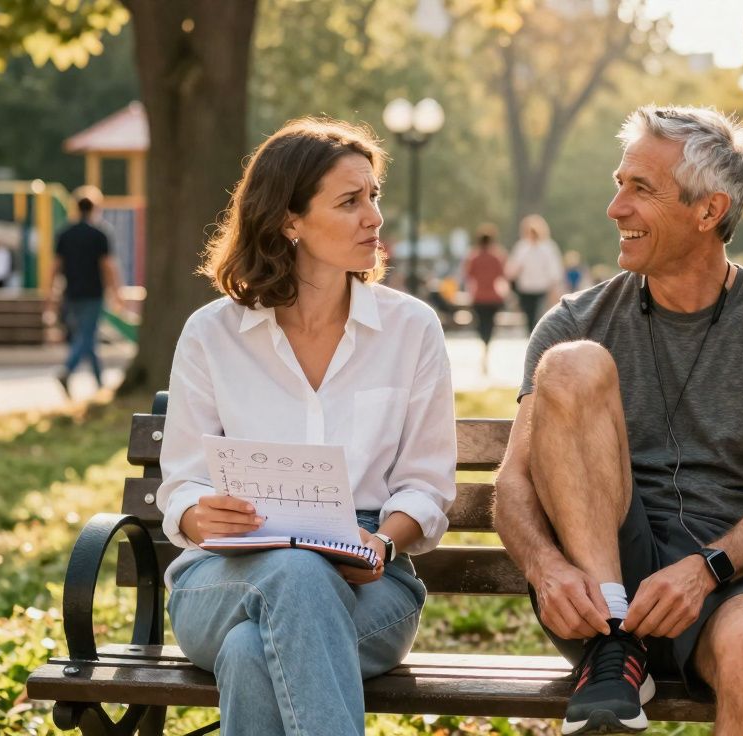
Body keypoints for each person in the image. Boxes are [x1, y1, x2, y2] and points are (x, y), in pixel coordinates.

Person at [494, 105, 743, 735]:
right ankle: (613, 651)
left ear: (709, 211)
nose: (615, 208)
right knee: (571, 365)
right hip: (601, 584)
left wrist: (704, 571)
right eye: (618, 183)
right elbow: (514, 483)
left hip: (730, 573)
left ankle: (620, 654)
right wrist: (546, 568)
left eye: (641, 190)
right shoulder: (573, 322)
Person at [155, 118, 457, 736]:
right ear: (289, 221)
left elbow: (426, 484)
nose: (373, 216)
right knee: (292, 574)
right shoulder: (211, 335)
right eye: (350, 202)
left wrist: (383, 541)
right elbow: (181, 482)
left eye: (374, 196)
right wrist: (196, 514)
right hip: (226, 574)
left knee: (249, 654)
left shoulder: (412, 329)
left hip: (369, 576)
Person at [50, 186, 121, 394]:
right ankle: (67, 370)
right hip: (93, 293)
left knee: (86, 337)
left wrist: (50, 292)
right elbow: (107, 266)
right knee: (87, 337)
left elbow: (55, 265)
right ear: (95, 208)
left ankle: (100, 384)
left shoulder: (64, 233)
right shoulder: (99, 234)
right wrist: (116, 291)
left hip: (70, 293)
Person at [506, 213, 565, 334]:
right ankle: (531, 336)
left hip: (542, 287)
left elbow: (554, 270)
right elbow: (513, 268)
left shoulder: (548, 247)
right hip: (525, 287)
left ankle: (537, 336)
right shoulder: (522, 247)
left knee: (540, 315)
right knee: (529, 316)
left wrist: (554, 288)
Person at [463, 223, 509, 372]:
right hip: (493, 296)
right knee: (490, 324)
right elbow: (502, 274)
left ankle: (484, 346)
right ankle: (486, 347)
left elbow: (469, 275)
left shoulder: (473, 257)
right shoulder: (497, 257)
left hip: (478, 296)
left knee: (480, 324)